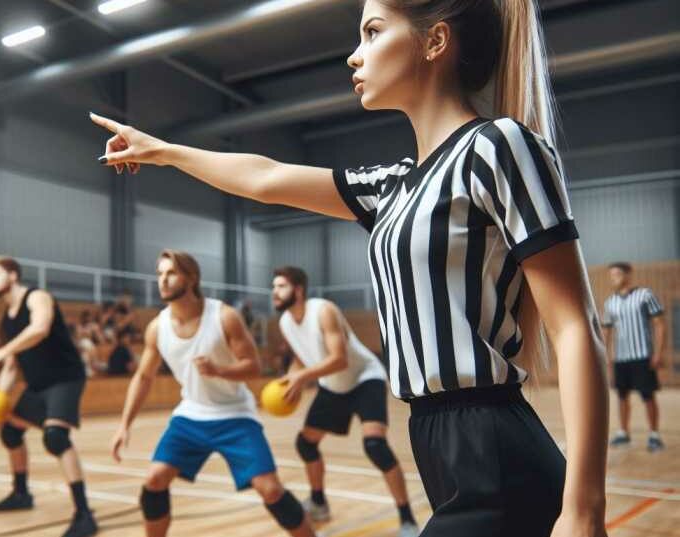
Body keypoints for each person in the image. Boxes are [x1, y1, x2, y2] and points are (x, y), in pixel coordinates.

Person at [91, 1, 610, 535]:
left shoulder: (498, 145)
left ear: (435, 42)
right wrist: (165, 151)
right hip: (434, 442)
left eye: (372, 32)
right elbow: (264, 178)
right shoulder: (394, 187)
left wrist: (584, 509)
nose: (354, 56)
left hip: (494, 450)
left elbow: (574, 327)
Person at [110, 249, 315, 537]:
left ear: (191, 278)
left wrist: (220, 370)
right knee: (154, 480)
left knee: (269, 490)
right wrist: (124, 425)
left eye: (171, 273)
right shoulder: (157, 328)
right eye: (160, 274)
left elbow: (254, 367)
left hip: (235, 415)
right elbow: (143, 377)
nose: (163, 281)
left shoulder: (224, 316)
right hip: (190, 416)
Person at [273, 266, 418, 537]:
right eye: (274, 287)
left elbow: (339, 358)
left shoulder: (323, 310)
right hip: (333, 384)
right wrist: (291, 379)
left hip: (365, 377)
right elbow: (303, 356)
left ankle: (407, 518)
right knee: (305, 443)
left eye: (280, 286)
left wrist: (303, 377)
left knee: (375, 446)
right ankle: (318, 503)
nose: (274, 292)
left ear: (298, 290)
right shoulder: (285, 323)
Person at [0, 256, 97, 537]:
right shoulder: (6, 321)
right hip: (37, 385)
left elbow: (40, 328)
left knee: (56, 438)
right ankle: (21, 494)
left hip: (65, 379)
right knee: (10, 432)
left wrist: (2, 351)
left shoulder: (37, 297)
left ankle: (83, 514)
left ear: (12, 275)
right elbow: (11, 366)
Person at [602, 262, 666, 452]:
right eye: (611, 275)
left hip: (642, 356)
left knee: (647, 395)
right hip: (621, 358)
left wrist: (658, 352)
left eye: (617, 274)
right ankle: (623, 433)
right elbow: (606, 332)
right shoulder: (609, 302)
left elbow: (660, 324)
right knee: (622, 395)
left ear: (628, 274)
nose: (613, 278)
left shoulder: (645, 295)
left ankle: (654, 435)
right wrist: (606, 356)